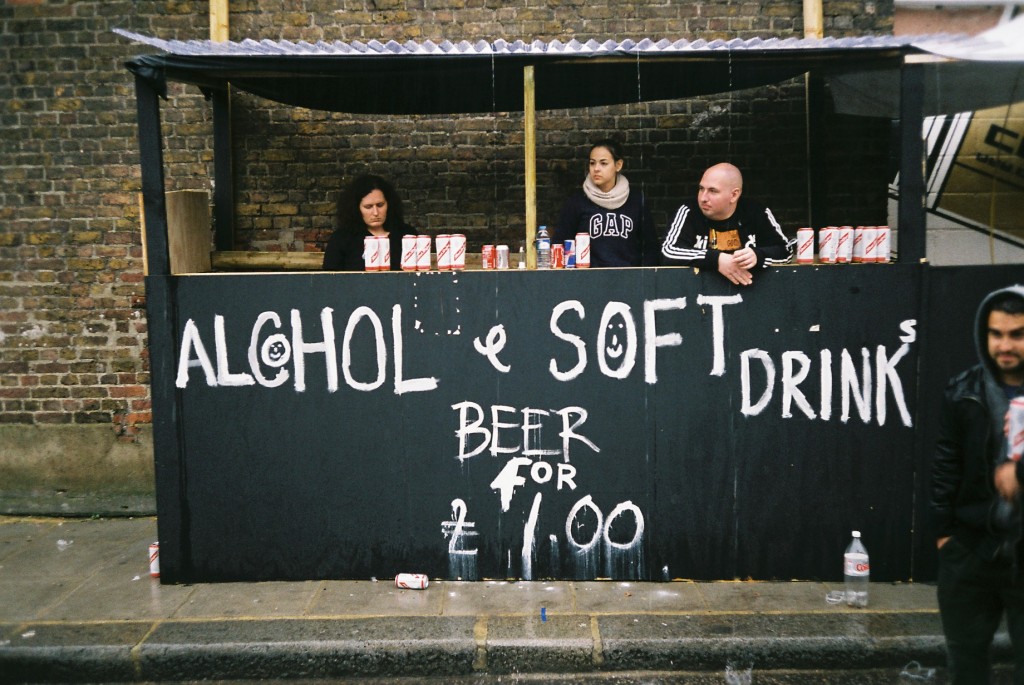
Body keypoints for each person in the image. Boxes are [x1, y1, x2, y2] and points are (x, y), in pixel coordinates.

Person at [932, 285, 1024, 684]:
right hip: (970, 551)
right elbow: (945, 466)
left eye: (1017, 334)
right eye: (996, 333)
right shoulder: (964, 390)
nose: (1005, 344)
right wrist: (944, 536)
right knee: (966, 667)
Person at [659, 162, 793, 285]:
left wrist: (758, 256)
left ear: (734, 195)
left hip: (751, 295)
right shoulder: (689, 211)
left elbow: (786, 253)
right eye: (701, 189)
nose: (703, 198)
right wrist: (717, 260)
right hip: (699, 298)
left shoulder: (756, 212)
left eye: (713, 191)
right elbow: (668, 252)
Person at [554, 140, 659, 267]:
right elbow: (560, 243)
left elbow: (650, 247)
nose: (596, 169)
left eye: (603, 163)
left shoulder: (636, 201)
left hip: (629, 278)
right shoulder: (577, 201)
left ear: (618, 165)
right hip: (588, 279)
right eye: (592, 163)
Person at [322, 174, 416, 271]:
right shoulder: (342, 238)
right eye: (368, 207)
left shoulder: (406, 235)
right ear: (356, 208)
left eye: (380, 205)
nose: (375, 213)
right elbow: (330, 279)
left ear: (389, 204)